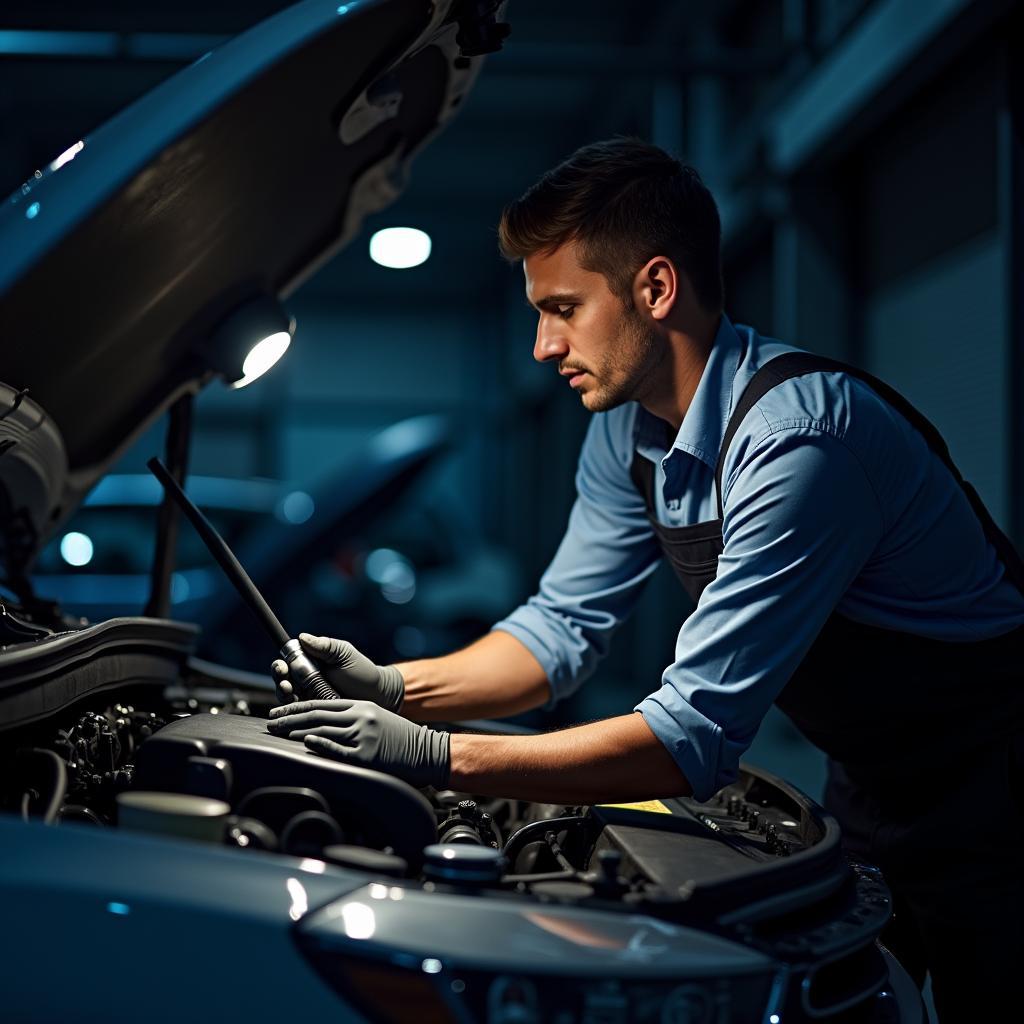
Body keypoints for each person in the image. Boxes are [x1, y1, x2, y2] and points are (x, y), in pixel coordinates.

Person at [267, 138, 1024, 1019]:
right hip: (870, 776)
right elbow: (557, 632)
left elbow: (690, 738)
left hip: (999, 778)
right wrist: (396, 688)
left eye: (562, 309)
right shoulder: (629, 433)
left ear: (655, 289)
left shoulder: (800, 444)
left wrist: (437, 756)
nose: (544, 347)